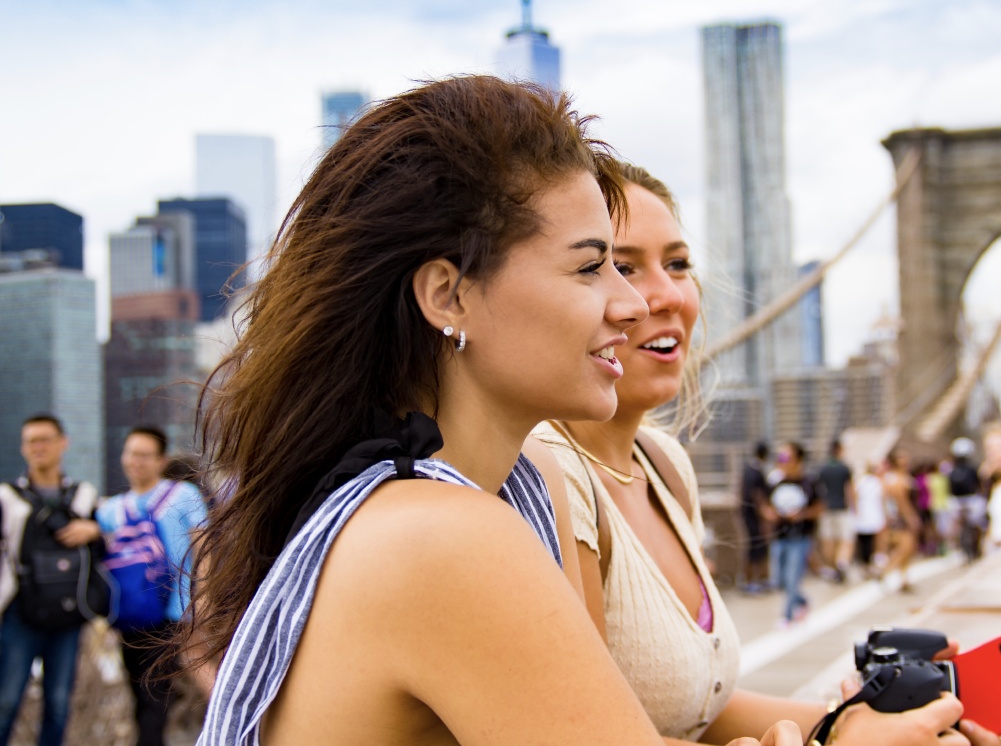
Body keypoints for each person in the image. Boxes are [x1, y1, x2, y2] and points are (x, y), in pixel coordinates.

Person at [178, 77, 802, 746]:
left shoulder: (466, 501)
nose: (630, 304)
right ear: (447, 296)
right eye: (593, 268)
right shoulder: (445, 539)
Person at [534, 164, 1001, 746]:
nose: (664, 294)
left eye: (679, 264)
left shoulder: (664, 465)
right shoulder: (547, 473)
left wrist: (861, 724)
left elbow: (696, 712)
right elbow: (580, 737)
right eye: (617, 266)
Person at [96, 427, 207, 746]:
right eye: (131, 453)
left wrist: (206, 597)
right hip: (130, 614)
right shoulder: (110, 510)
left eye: (144, 455)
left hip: (175, 610)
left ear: (160, 460)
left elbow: (203, 545)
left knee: (156, 696)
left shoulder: (183, 495)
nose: (136, 462)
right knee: (140, 694)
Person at [0, 415, 103, 746]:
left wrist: (95, 530)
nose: (38, 447)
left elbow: (105, 551)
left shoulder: (83, 496)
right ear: (23, 448)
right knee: (6, 700)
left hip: (69, 609)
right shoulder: (7, 496)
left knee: (58, 703)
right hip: (20, 607)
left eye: (45, 439)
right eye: (31, 441)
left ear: (63, 442)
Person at [767, 443, 824, 625]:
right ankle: (802, 601)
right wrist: (771, 514)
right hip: (780, 536)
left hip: (799, 537)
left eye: (786, 458)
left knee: (793, 577)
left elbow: (820, 506)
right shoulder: (776, 482)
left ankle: (787, 616)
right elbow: (765, 503)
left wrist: (801, 515)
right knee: (779, 579)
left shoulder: (809, 482)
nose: (782, 462)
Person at [880, 448, 920, 592]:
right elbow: (902, 502)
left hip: (898, 516)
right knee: (905, 548)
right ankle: (885, 572)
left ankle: (904, 578)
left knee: (907, 549)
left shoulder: (897, 478)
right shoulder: (898, 480)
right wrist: (911, 517)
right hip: (902, 518)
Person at [816, 439, 855, 583]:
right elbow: (850, 489)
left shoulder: (823, 468)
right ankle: (841, 563)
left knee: (829, 540)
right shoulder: (844, 468)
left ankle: (832, 568)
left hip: (826, 508)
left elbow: (818, 489)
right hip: (841, 508)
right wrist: (855, 508)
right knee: (845, 539)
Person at [739, 442, 772, 592]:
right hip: (754, 516)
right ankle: (751, 581)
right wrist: (764, 516)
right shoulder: (756, 472)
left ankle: (756, 580)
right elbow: (757, 495)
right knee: (756, 548)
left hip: (747, 514)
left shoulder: (747, 469)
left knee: (756, 547)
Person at [947, 437, 986, 561]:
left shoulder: (953, 469)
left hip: (960, 501)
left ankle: (961, 545)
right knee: (973, 523)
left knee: (974, 523)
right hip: (965, 501)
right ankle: (958, 546)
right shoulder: (969, 468)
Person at [852, 459, 886, 579]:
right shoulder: (873, 481)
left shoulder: (863, 481)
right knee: (869, 542)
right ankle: (867, 565)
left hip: (867, 514)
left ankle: (867, 564)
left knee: (866, 542)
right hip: (869, 515)